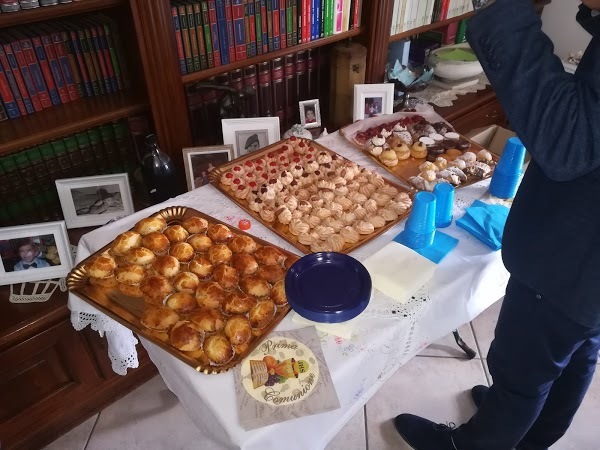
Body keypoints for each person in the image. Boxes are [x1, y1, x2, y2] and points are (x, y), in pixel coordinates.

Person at [393, 1, 600, 449]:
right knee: (580, 348)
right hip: (586, 268)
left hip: (576, 255)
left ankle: (478, 439)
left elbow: (567, 142)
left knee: (522, 370)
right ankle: (534, 430)